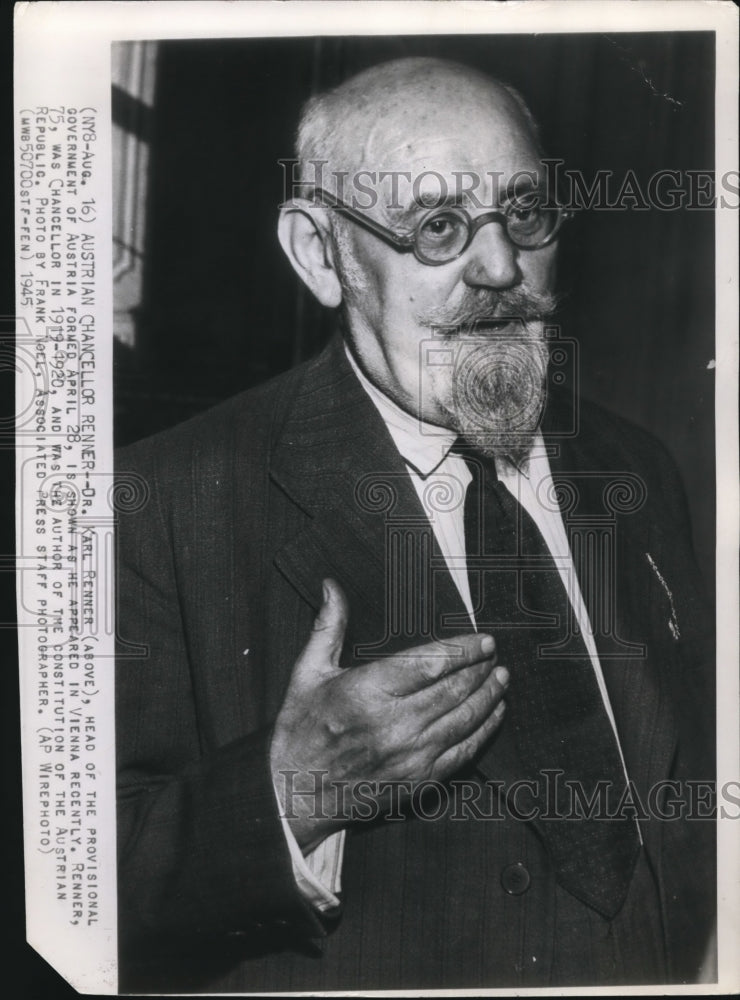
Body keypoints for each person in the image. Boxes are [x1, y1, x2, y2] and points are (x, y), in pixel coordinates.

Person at [115, 57, 715, 992]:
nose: (503, 266)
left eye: (522, 211)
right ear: (321, 253)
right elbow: (69, 889)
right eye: (437, 227)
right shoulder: (156, 503)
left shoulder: (639, 467)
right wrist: (291, 795)